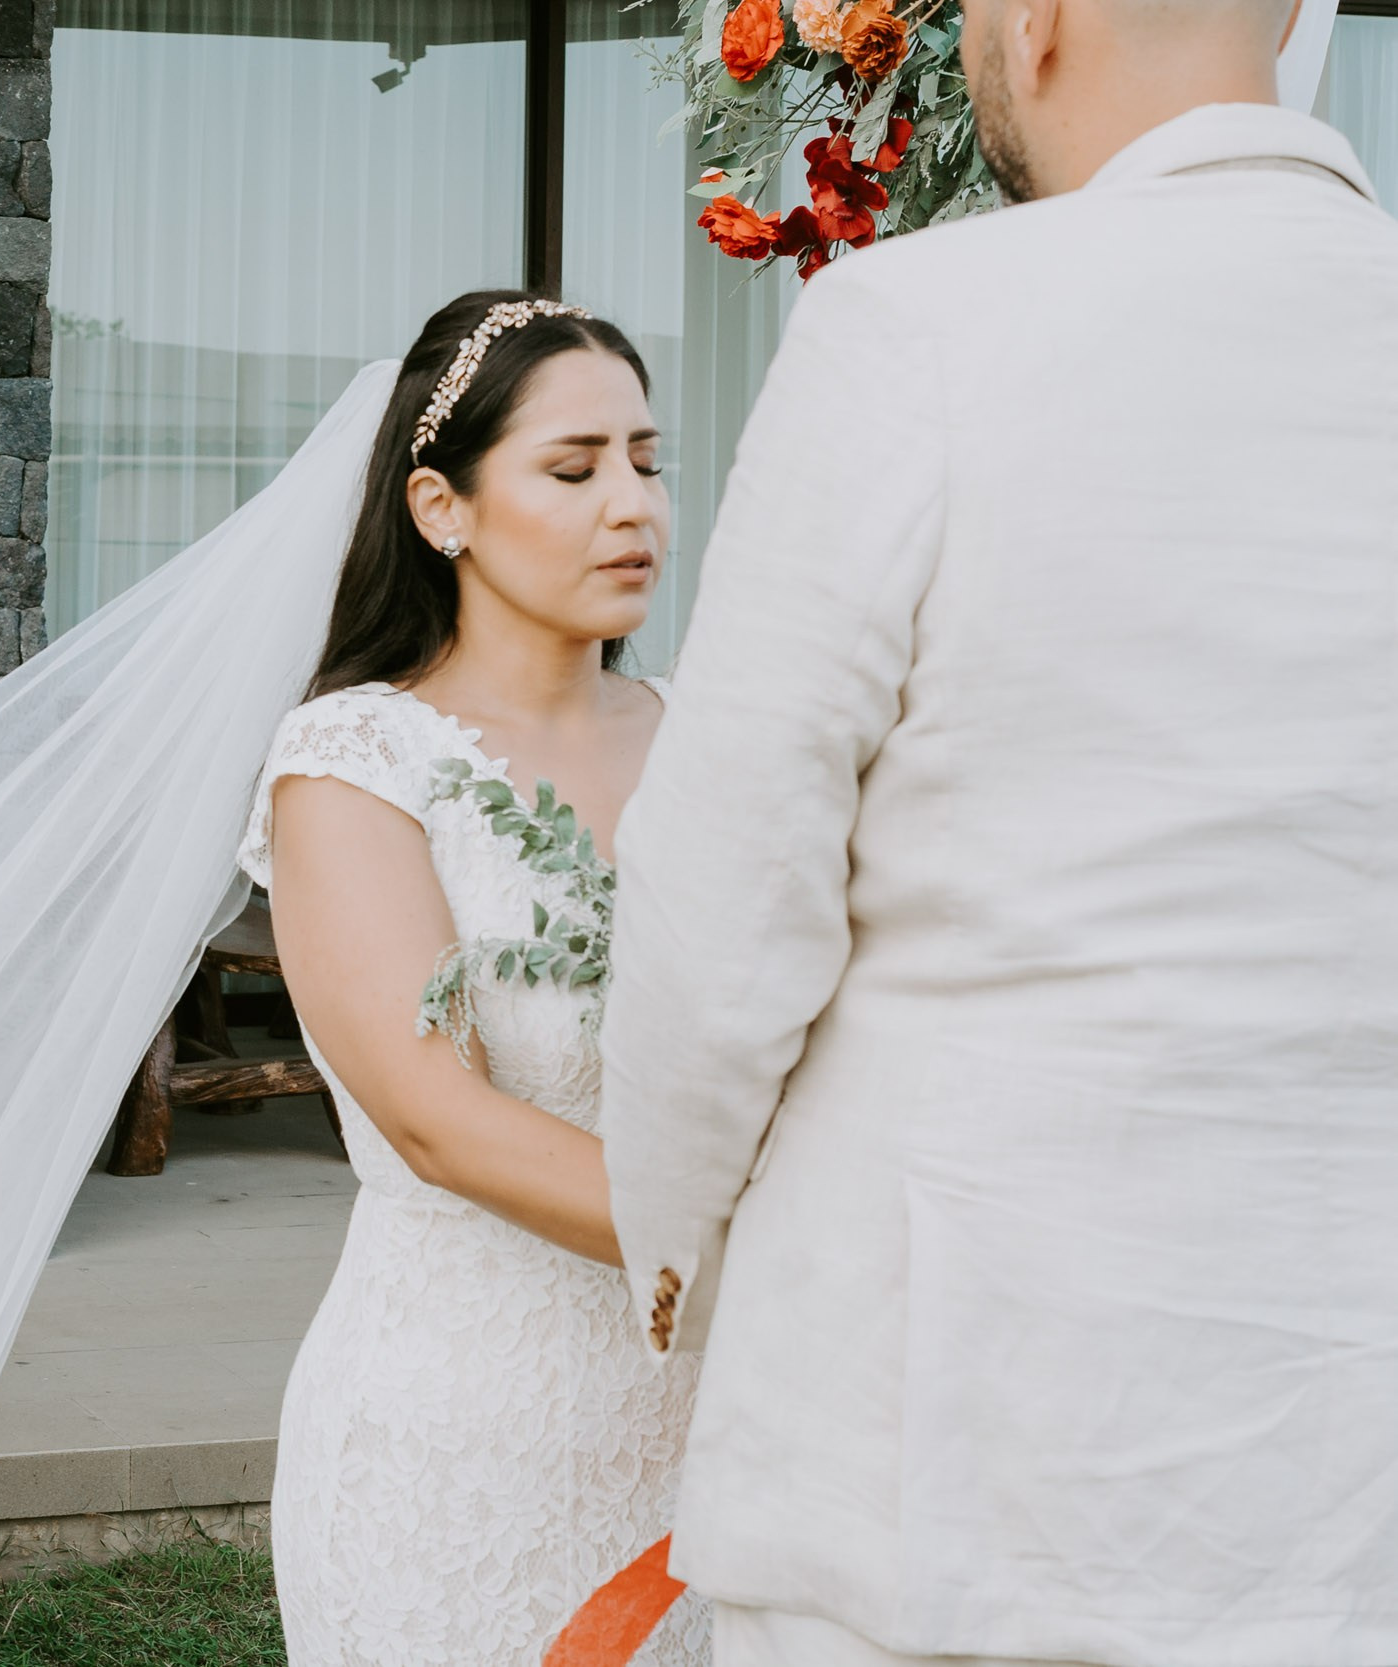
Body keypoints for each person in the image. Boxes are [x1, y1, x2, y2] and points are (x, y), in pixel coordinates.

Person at [599, 0, 1398, 1662]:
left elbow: (721, 915)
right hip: (1345, 1501)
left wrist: (665, 1251)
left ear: (1034, 24)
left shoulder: (923, 327)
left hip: (956, 1469)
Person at [247, 293, 704, 1665]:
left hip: (724, 1427)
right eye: (573, 471)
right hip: (460, 1431)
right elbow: (435, 1118)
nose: (632, 505)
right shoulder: (353, 764)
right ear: (441, 508)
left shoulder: (711, 739)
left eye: (647, 458)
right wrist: (764, 1246)